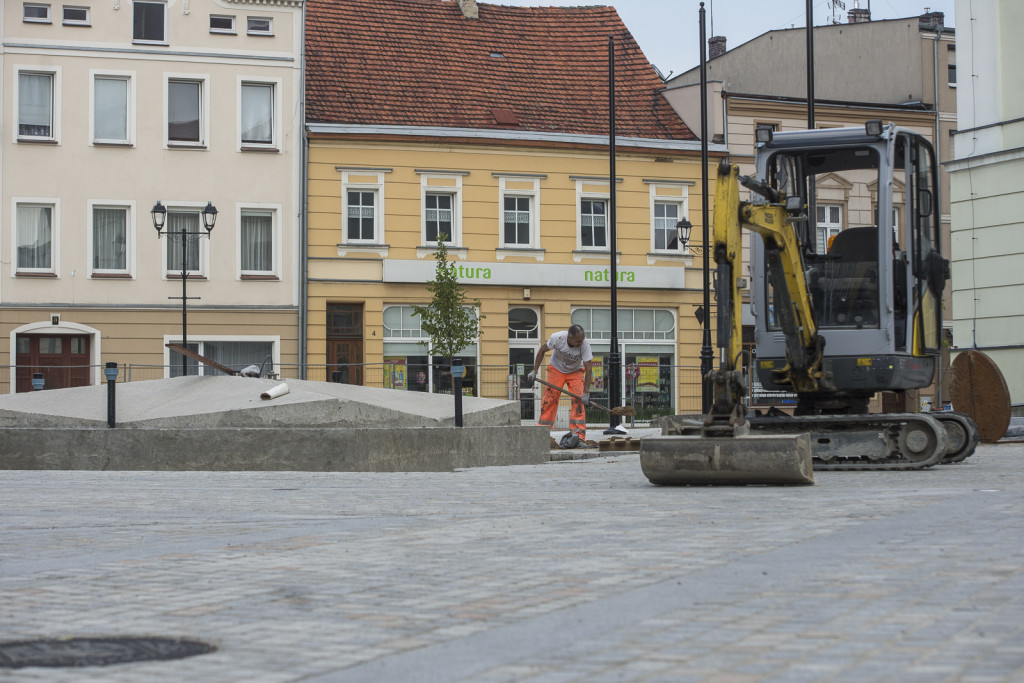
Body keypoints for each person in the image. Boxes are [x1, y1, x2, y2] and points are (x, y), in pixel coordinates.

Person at [528, 324, 593, 443]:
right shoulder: (557, 338)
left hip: (575, 371)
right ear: (569, 337)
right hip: (556, 369)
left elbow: (588, 368)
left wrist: (586, 392)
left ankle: (578, 436)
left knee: (578, 401)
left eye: (582, 340)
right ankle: (542, 433)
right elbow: (542, 350)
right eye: (578, 341)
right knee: (550, 399)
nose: (580, 343)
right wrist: (534, 370)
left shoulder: (585, 344)